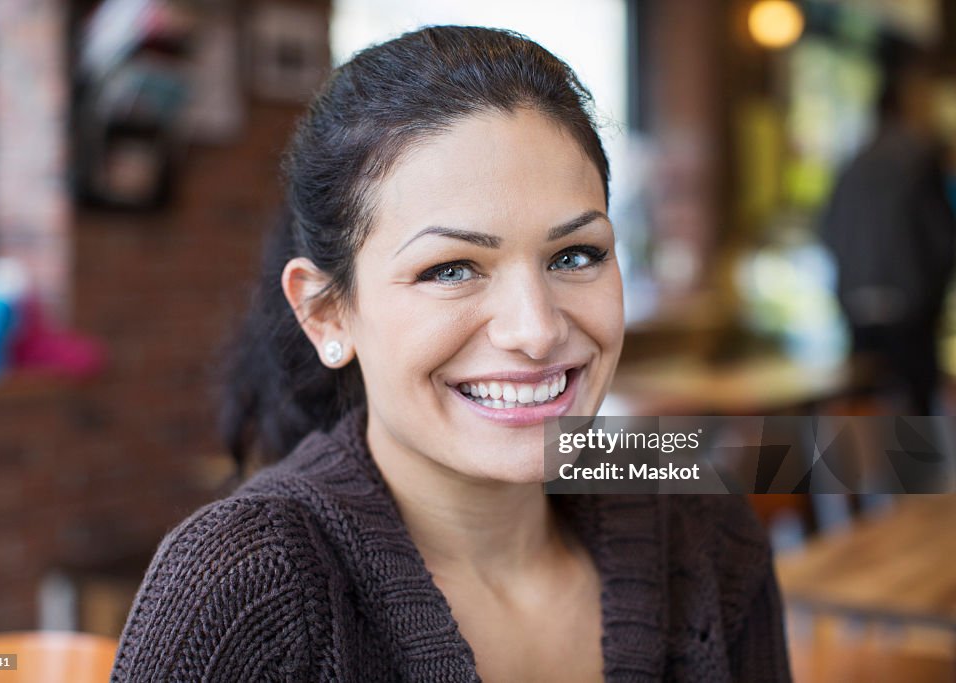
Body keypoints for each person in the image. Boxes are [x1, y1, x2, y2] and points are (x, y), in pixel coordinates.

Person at [111, 26, 791, 682]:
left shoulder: (703, 528)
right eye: (451, 269)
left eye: (575, 255)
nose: (535, 330)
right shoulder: (241, 582)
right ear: (325, 311)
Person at [821, 52, 956, 414]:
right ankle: (912, 472)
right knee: (913, 403)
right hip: (910, 301)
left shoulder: (851, 162)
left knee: (864, 397)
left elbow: (829, 230)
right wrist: (935, 289)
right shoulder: (921, 156)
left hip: (856, 302)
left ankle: (868, 471)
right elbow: (941, 235)